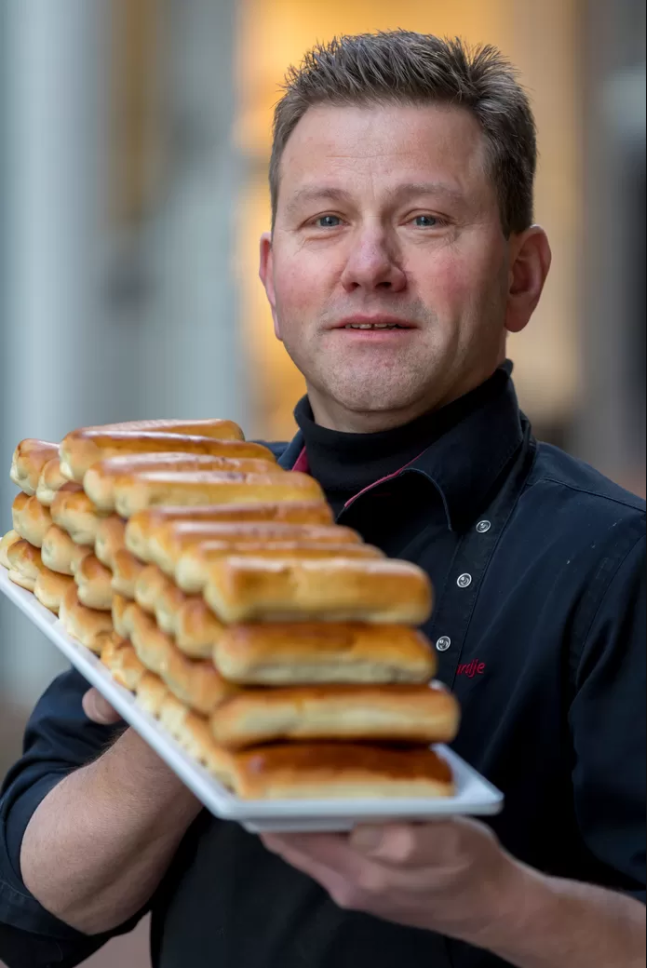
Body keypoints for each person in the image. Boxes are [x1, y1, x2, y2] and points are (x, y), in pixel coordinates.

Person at [0, 31, 645, 968]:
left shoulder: (612, 565)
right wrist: (189, 706)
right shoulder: (161, 527)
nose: (368, 264)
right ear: (269, 275)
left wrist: (494, 899)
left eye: (424, 219)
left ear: (521, 275)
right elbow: (33, 911)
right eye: (325, 220)